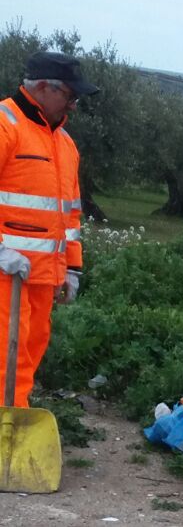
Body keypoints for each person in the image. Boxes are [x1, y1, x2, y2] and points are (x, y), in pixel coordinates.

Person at [0, 51, 99, 407]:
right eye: (69, 96)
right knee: (4, 365)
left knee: (25, 362)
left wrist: (71, 269)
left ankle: (11, 434)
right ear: (42, 87)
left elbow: (70, 217)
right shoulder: (4, 125)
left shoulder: (65, 145)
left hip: (42, 279)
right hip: (4, 275)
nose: (72, 105)